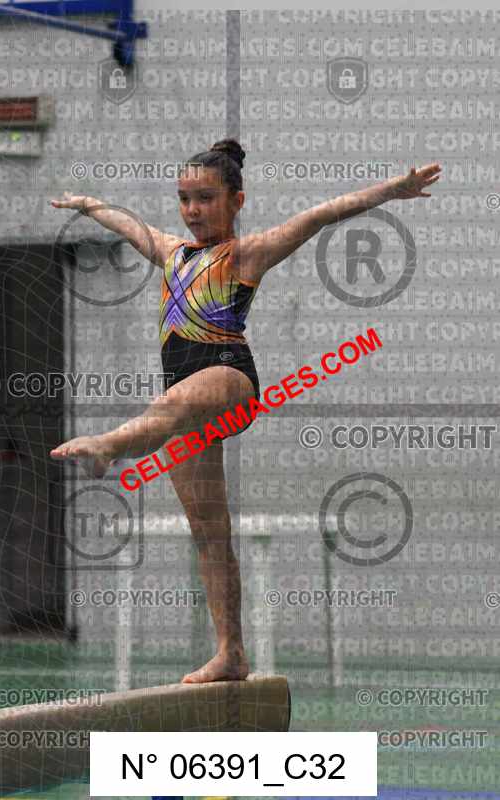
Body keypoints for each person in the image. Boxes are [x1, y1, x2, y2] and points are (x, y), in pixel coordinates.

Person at [49, 139, 441, 683]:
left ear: (237, 200)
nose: (192, 210)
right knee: (209, 531)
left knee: (171, 403)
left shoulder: (246, 254)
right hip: (185, 405)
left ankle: (110, 446)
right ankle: (231, 651)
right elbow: (131, 226)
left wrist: (395, 190)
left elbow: (321, 215)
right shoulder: (173, 254)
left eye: (206, 198)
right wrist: (92, 206)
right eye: (184, 198)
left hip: (230, 378)